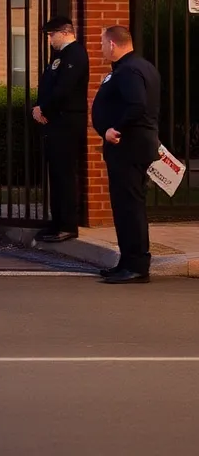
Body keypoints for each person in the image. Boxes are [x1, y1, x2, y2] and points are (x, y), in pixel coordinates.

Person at [90, 25, 161, 284]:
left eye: (102, 43)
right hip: (132, 148)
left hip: (128, 148)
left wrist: (114, 128)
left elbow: (137, 104)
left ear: (112, 45)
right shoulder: (141, 67)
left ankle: (137, 265)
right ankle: (128, 260)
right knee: (127, 207)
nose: (100, 48)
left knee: (129, 208)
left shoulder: (129, 70)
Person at [31, 16, 89, 243]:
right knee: (55, 174)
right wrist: (40, 108)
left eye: (51, 34)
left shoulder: (75, 54)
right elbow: (49, 85)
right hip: (54, 122)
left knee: (64, 174)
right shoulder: (60, 56)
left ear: (64, 32)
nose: (49, 39)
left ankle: (67, 225)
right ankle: (56, 222)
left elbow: (64, 89)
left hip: (67, 122)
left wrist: (43, 107)